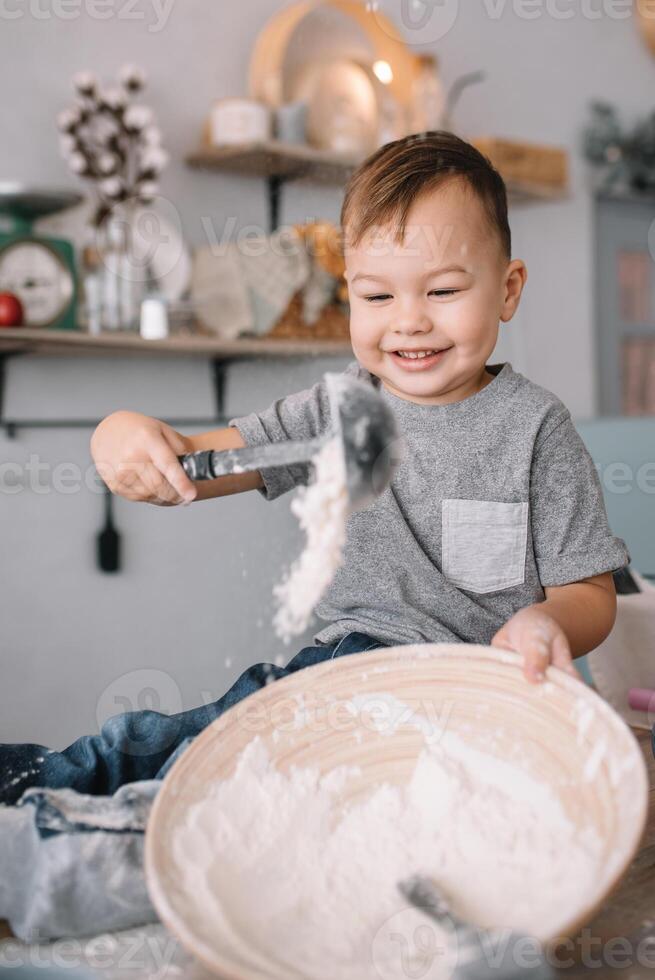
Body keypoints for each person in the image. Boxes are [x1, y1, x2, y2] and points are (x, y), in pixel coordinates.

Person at [0, 135, 629, 933]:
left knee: (265, 812)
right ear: (348, 297)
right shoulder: (338, 414)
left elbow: (590, 591)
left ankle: (79, 853)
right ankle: (35, 786)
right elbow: (198, 464)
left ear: (506, 290)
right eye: (375, 297)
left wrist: (547, 620)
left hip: (481, 710)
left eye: (441, 290)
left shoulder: (536, 429)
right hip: (345, 674)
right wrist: (127, 438)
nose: (408, 323)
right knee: (185, 741)